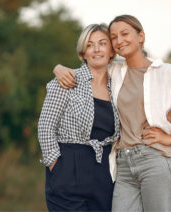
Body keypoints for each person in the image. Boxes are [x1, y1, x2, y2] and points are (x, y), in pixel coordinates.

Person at [53, 15, 171, 212]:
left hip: (156, 159)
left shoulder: (168, 73)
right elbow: (90, 69)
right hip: (123, 166)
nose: (119, 40)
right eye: (113, 37)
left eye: (125, 34)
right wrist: (58, 69)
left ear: (141, 36)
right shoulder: (115, 72)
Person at [37, 24, 120, 211]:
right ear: (83, 53)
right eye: (90, 45)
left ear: (111, 51)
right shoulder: (66, 80)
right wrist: (55, 166)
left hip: (104, 174)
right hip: (67, 169)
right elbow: (45, 126)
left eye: (102, 43)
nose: (97, 49)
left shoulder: (119, 84)